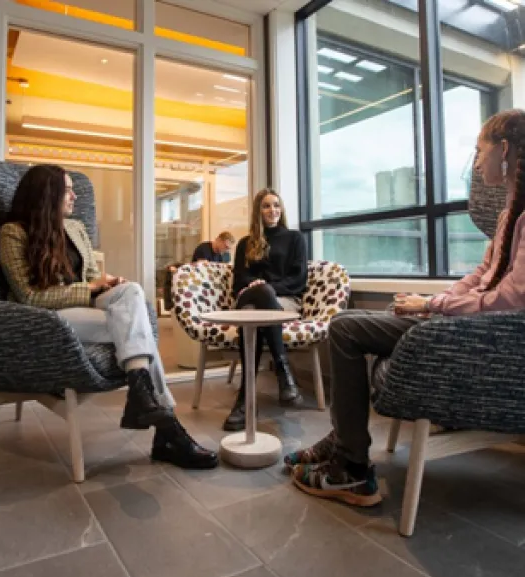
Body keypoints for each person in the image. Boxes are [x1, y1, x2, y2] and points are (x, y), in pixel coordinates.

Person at [285, 108, 525, 507]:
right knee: (345, 320)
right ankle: (344, 441)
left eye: (479, 151)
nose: (477, 161)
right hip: (462, 327)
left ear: (504, 150)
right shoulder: (507, 217)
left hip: (485, 341)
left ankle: (352, 469)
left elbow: (512, 299)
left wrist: (434, 304)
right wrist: (432, 306)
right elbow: (482, 274)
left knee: (344, 329)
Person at [0, 164, 218, 470]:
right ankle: (168, 431)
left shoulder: (74, 229)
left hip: (83, 308)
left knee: (131, 292)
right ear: (48, 194)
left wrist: (106, 283)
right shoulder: (13, 233)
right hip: (47, 318)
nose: (74, 196)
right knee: (135, 328)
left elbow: (89, 277)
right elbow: (30, 296)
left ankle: (145, 400)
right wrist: (91, 288)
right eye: (68, 189)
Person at [223, 188, 308, 431]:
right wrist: (257, 287)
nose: (273, 210)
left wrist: (268, 287)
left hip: (284, 300)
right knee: (259, 297)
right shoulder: (245, 243)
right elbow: (238, 281)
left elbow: (298, 279)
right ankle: (284, 374)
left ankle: (245, 399)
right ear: (258, 211)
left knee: (261, 304)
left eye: (276, 205)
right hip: (248, 298)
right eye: (266, 206)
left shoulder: (294, 238)